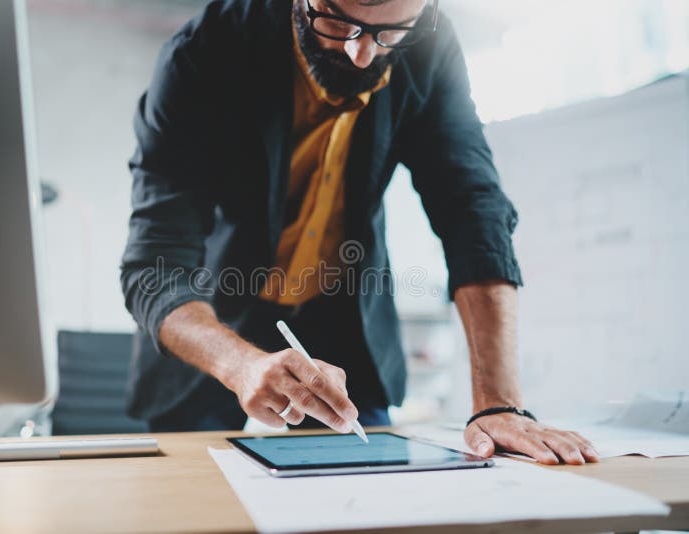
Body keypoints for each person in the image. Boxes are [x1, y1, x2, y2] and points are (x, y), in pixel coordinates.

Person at [121, 0, 599, 465]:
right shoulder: (203, 53)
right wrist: (240, 365)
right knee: (193, 503)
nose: (361, 54)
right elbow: (154, 267)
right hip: (212, 329)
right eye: (336, 21)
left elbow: (472, 210)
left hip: (345, 332)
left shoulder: (430, 44)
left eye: (390, 31)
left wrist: (499, 404)